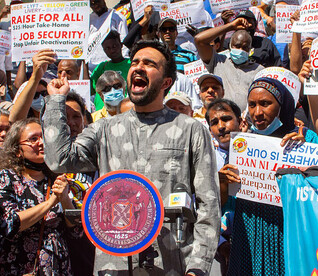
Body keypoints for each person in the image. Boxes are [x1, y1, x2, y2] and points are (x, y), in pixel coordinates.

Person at [41, 40, 220, 275]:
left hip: (171, 263)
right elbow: (59, 160)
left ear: (166, 81)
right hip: (114, 264)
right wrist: (55, 101)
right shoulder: (103, 129)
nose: (138, 67)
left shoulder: (191, 130)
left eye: (149, 63)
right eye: (135, 62)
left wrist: (198, 266)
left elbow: (209, 203)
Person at [223, 77, 318, 275]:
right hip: (251, 234)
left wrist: (307, 153)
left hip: (292, 233)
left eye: (265, 104)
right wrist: (223, 182)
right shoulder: (243, 145)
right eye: (252, 105)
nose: (257, 112)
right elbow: (230, 202)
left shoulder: (306, 140)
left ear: (282, 105)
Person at [0, 118, 80, 275]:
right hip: (21, 268)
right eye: (33, 139)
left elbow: (77, 231)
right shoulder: (7, 178)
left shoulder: (56, 179)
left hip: (58, 268)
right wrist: (50, 203)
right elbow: (10, 224)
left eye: (43, 137)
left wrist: (64, 200)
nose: (41, 143)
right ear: (17, 150)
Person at [195, 17, 264, 111]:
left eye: (245, 48)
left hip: (247, 122)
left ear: (250, 50)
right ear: (230, 46)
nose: (240, 50)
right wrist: (230, 26)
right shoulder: (218, 62)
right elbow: (199, 40)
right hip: (221, 118)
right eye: (237, 46)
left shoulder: (259, 70)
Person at [90, 30, 131, 110]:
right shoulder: (101, 67)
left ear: (121, 45)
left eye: (114, 46)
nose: (112, 50)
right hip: (102, 113)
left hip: (123, 111)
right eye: (107, 48)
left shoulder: (131, 64)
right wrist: (84, 62)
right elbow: (90, 90)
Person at [88, 0, 129, 73]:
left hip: (111, 65)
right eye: (91, 4)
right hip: (92, 69)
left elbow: (124, 42)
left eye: (97, 2)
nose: (95, 6)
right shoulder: (89, 19)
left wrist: (123, 64)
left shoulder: (117, 17)